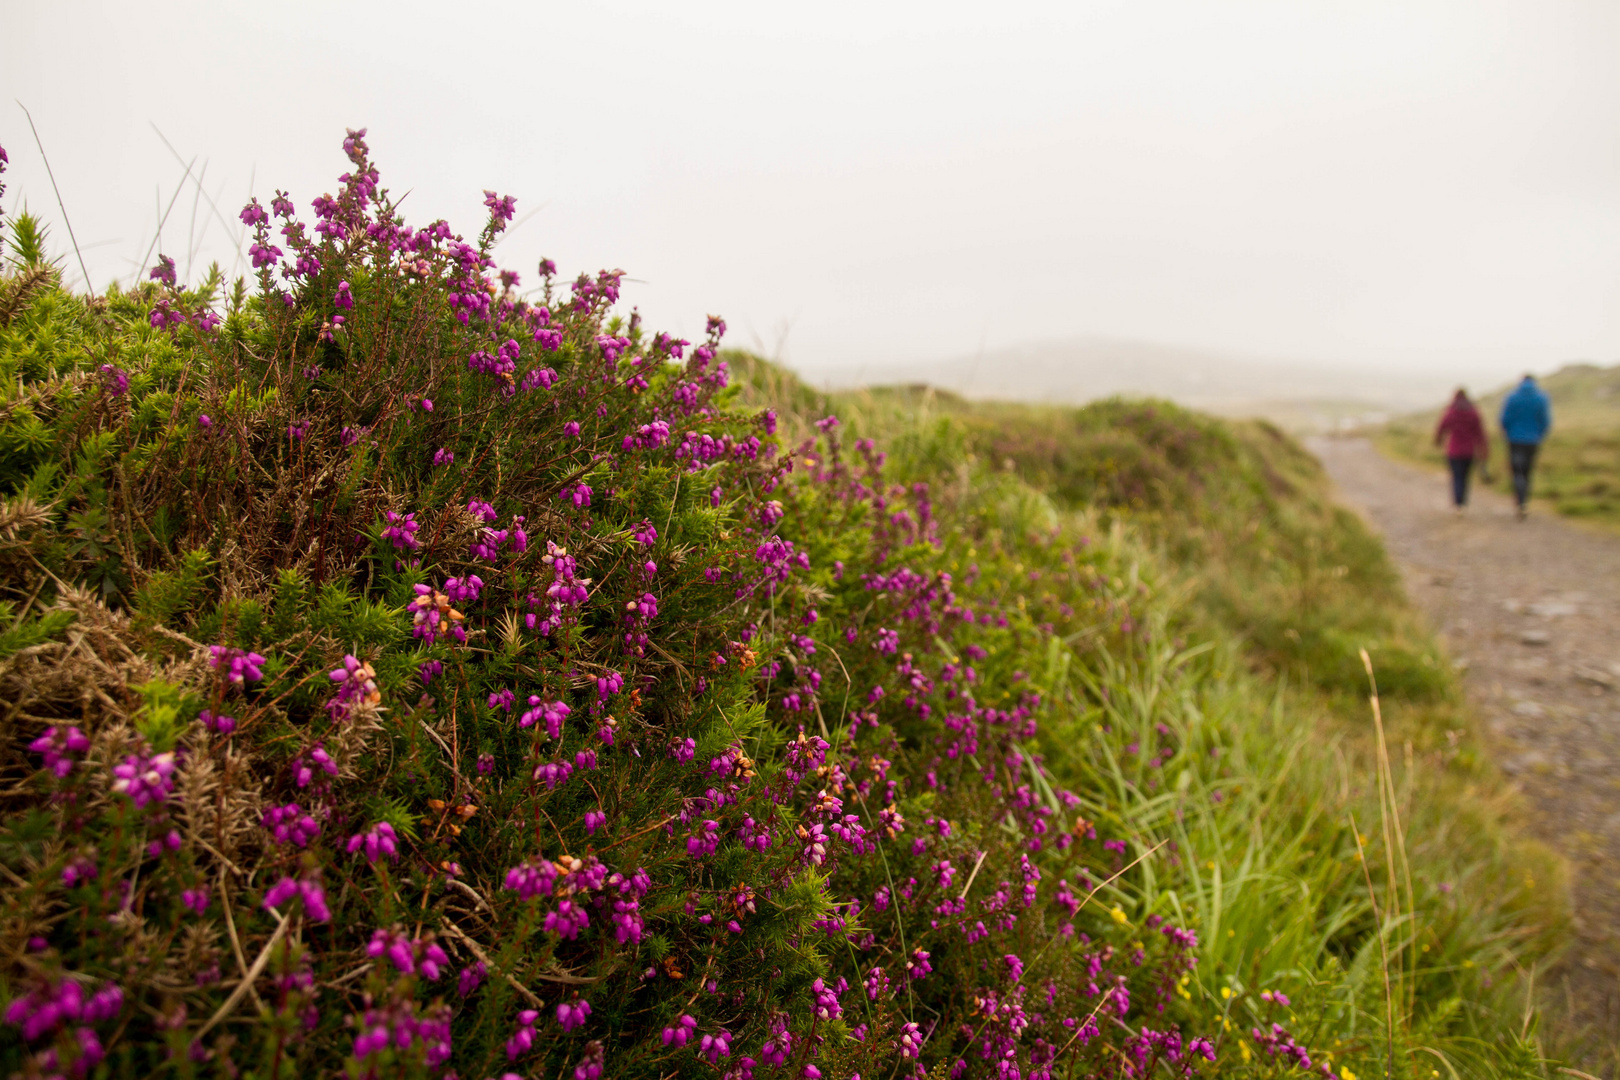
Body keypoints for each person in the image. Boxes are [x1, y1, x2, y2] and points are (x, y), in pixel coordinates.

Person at [1499, 373, 1552, 519]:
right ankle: (1524, 503)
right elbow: (1545, 421)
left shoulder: (1512, 397)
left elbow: (1504, 419)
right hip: (1533, 441)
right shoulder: (1541, 398)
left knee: (1517, 471)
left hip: (1514, 440)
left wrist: (1507, 433)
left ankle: (1519, 501)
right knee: (1527, 472)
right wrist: (1540, 435)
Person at [1433, 389, 1488, 510]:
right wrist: (1483, 448)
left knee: (1457, 476)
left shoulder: (1451, 411)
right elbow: (1480, 432)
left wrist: (1437, 441)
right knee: (1465, 477)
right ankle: (1462, 502)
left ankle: (1458, 504)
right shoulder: (1473, 412)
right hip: (1469, 451)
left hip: (1454, 450)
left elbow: (1441, 427)